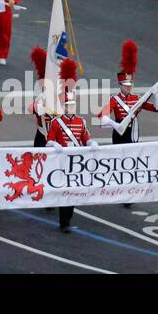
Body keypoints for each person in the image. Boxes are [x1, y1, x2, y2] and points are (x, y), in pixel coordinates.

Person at [98, 41, 158, 208]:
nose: (129, 87)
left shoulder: (136, 98)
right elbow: (101, 116)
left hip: (133, 132)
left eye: (130, 84)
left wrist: (155, 95)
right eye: (126, 85)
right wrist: (113, 123)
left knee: (132, 163)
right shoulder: (114, 99)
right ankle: (118, 191)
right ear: (120, 85)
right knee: (120, 162)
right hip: (119, 131)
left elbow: (156, 108)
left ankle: (129, 194)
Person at [46, 60, 97, 231]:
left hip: (76, 160)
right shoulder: (56, 122)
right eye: (68, 106)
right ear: (64, 107)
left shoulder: (80, 121)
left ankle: (68, 218)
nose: (71, 108)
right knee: (64, 190)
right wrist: (54, 145)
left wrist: (91, 143)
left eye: (73, 105)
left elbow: (85, 137)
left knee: (73, 191)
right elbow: (49, 140)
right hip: (61, 160)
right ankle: (64, 222)